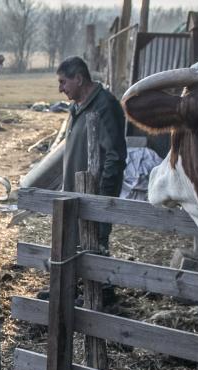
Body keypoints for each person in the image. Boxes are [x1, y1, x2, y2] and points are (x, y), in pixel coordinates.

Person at [57, 56, 126, 254]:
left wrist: (102, 199)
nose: (60, 89)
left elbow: (116, 156)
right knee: (74, 249)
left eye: (63, 82)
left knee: (94, 250)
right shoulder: (78, 107)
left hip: (94, 197)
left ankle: (102, 286)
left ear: (78, 79)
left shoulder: (105, 105)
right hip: (75, 195)